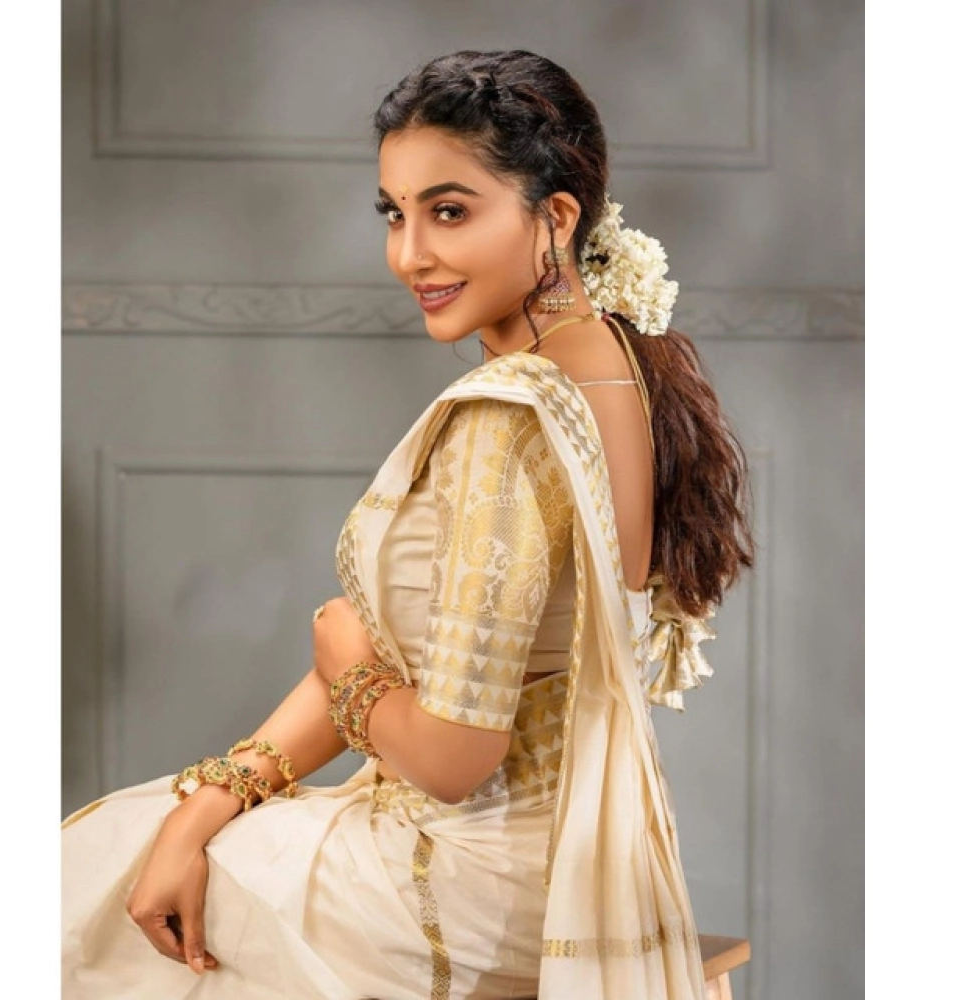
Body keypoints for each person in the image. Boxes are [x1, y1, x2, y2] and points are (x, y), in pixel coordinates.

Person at [61, 49, 754, 1000]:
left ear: (556, 217)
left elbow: (451, 758)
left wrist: (344, 653)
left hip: (467, 882)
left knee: (70, 898)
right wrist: (211, 801)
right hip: (582, 860)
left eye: (450, 211)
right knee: (141, 846)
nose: (410, 254)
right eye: (395, 213)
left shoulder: (510, 421)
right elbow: (440, 665)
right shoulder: (618, 368)